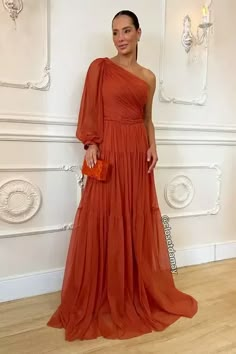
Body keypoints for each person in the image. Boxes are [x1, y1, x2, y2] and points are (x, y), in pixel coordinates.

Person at [47, 10, 198, 341]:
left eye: (126, 30)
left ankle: (133, 288)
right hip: (110, 151)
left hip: (136, 152)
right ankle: (106, 292)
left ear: (139, 33)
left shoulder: (148, 77)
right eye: (115, 32)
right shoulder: (100, 68)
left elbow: (147, 119)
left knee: (133, 218)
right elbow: (89, 109)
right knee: (104, 215)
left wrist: (153, 146)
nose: (120, 38)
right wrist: (90, 143)